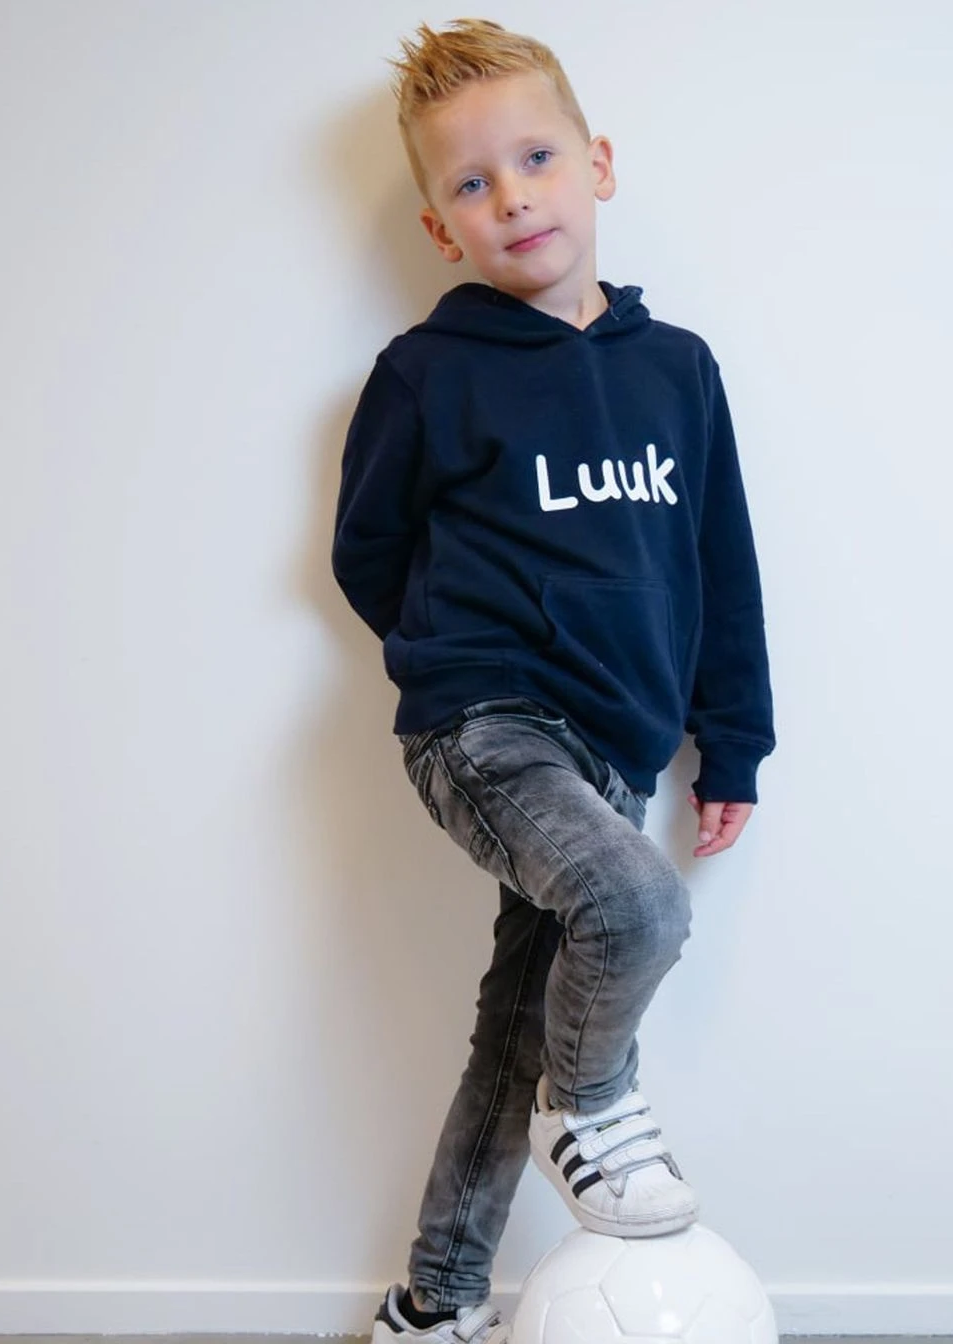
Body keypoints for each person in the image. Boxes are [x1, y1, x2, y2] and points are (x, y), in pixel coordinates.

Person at [331, 18, 776, 1342]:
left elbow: (720, 563)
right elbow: (368, 551)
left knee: (510, 1036)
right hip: (484, 728)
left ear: (600, 166)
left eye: (537, 159)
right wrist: (464, 650)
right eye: (473, 183)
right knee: (633, 902)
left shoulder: (676, 369)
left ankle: (435, 1303)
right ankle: (591, 1111)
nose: (514, 197)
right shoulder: (427, 374)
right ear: (439, 227)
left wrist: (733, 743)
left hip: (616, 750)